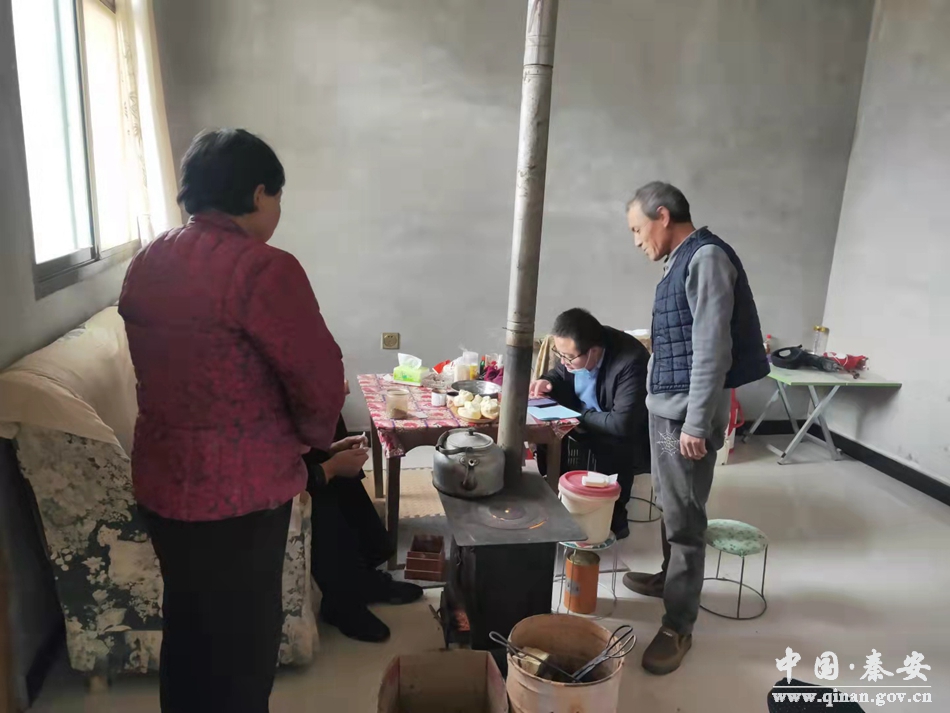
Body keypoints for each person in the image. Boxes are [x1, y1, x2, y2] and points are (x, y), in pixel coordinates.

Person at [119, 128, 368, 713]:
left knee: (189, 632)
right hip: (237, 496)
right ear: (259, 193)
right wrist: (312, 444)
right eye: (277, 197)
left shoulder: (147, 260)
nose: (278, 210)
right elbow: (317, 380)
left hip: (163, 481)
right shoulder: (264, 269)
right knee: (243, 650)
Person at [622, 181, 769, 675]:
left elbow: (711, 351)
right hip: (666, 410)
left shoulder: (706, 258)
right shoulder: (679, 262)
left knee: (685, 520)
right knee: (671, 502)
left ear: (663, 216)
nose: (637, 240)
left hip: (685, 416)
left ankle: (678, 626)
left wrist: (697, 423)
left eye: (638, 229)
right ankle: (670, 579)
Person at [305, 407, 423, 643]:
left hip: (296, 466)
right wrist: (328, 468)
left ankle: (363, 579)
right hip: (274, 489)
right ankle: (340, 604)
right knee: (323, 500)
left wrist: (331, 451)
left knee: (345, 479)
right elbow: (277, 474)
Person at [529, 309, 650, 539]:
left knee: (613, 449)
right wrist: (546, 381)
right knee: (544, 433)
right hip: (585, 416)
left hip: (617, 432)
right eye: (559, 354)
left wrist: (574, 413)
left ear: (593, 351)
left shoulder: (631, 361)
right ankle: (560, 499)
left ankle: (613, 518)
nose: (563, 361)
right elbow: (559, 373)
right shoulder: (577, 351)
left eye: (568, 357)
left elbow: (621, 423)